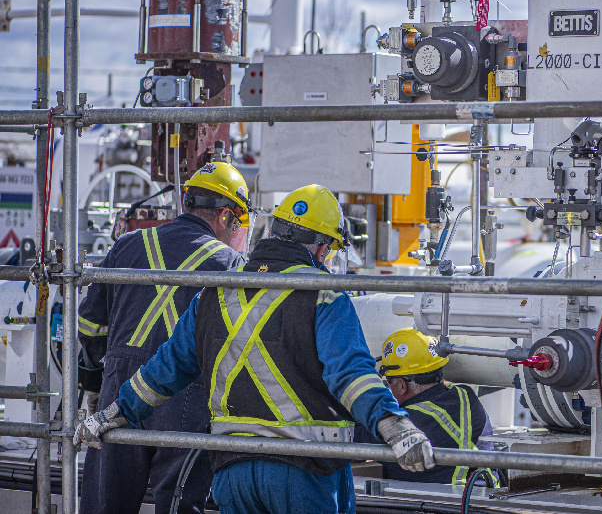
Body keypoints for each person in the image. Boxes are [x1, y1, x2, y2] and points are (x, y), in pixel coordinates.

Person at [74, 184, 436, 514]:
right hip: (303, 469)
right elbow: (351, 375)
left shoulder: (213, 293)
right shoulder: (323, 294)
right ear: (322, 247)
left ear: (273, 232)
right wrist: (393, 424)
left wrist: (113, 413)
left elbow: (162, 371)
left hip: (233, 474)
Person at [77, 161, 251, 514]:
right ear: (226, 215)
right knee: (179, 505)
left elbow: (89, 323)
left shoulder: (126, 246)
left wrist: (95, 382)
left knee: (105, 504)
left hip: (118, 391)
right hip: (184, 394)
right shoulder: (231, 264)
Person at [355, 328, 499, 486]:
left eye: (390, 383)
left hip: (449, 504)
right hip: (487, 496)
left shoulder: (405, 425)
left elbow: (354, 436)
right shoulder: (466, 396)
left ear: (402, 386)